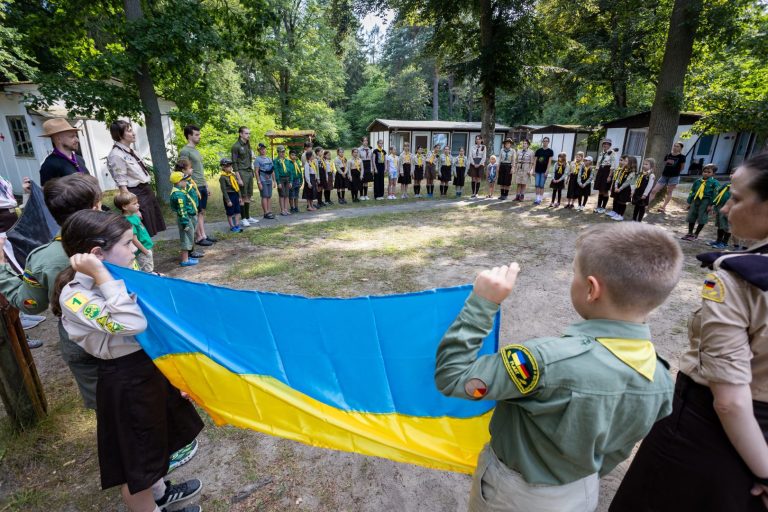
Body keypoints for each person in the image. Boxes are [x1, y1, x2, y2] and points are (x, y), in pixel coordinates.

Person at [435, 222, 682, 512]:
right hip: (580, 492)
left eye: (574, 273)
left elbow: (453, 377)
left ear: (592, 289)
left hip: (514, 497)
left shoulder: (544, 361)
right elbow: (616, 451)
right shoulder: (662, 382)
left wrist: (482, 303)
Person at [610, 152, 768, 511]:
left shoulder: (741, 280)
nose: (725, 208)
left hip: (707, 436)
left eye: (738, 198)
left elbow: (729, 400)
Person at [53, 209, 204, 512]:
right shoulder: (76, 296)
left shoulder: (120, 276)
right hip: (126, 383)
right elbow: (131, 324)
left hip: (147, 372)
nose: (135, 247)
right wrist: (102, 276)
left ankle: (160, 493)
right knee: (137, 463)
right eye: (127, 243)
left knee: (155, 443)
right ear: (98, 254)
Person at [0, 174, 102, 382]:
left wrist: (2, 269)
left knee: (104, 403)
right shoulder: (120, 235)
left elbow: (30, 304)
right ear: (96, 206)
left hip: (80, 339)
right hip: (128, 331)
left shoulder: (42, 259)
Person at [105, 120, 166, 238]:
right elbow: (122, 186)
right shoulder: (116, 155)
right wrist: (133, 209)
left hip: (146, 191)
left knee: (150, 230)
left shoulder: (132, 152)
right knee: (142, 231)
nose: (133, 133)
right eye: (129, 131)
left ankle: (149, 253)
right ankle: (145, 254)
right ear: (119, 134)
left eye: (131, 130)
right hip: (135, 194)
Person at [179, 125, 215, 245]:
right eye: (196, 135)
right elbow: (182, 169)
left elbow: (199, 169)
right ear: (189, 136)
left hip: (201, 185)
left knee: (202, 211)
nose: (199, 137)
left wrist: (206, 185)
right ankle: (199, 237)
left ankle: (203, 234)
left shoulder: (196, 150)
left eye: (199, 134)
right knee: (196, 212)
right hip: (193, 186)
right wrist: (187, 185)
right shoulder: (185, 151)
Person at [38, 119, 91, 185]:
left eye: (76, 136)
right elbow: (47, 194)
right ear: (58, 139)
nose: (77, 140)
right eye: (72, 136)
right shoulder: (49, 165)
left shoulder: (79, 159)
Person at [113, 192, 154, 272]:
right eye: (134, 203)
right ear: (125, 207)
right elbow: (134, 240)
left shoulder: (134, 215)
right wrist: (145, 252)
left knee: (149, 267)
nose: (138, 205)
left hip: (146, 246)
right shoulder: (128, 221)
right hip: (142, 251)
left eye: (137, 202)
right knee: (146, 271)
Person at [681, 163, 720, 241]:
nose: (706, 173)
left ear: (713, 174)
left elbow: (715, 194)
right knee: (691, 216)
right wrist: (689, 202)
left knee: (702, 218)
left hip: (706, 201)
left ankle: (696, 234)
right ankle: (690, 233)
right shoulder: (698, 181)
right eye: (704, 171)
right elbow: (692, 191)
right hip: (695, 200)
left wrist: (711, 204)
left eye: (709, 172)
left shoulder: (715, 183)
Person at [169, 172, 199, 267]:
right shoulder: (179, 195)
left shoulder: (180, 191)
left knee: (189, 237)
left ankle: (187, 257)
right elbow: (182, 211)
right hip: (185, 219)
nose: (186, 182)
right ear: (179, 182)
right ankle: (185, 260)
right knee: (186, 238)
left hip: (187, 217)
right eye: (184, 180)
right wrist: (185, 224)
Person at [649, 140, 687, 213]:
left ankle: (663, 207)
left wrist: (675, 172)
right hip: (664, 176)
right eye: (674, 146)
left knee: (669, 192)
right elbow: (666, 164)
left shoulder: (682, 157)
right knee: (654, 190)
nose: (675, 147)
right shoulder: (668, 155)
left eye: (677, 146)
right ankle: (646, 204)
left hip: (674, 177)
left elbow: (682, 168)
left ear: (681, 148)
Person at [231, 126, 258, 225]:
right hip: (241, 173)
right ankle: (243, 219)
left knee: (248, 195)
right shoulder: (236, 146)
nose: (248, 135)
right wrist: (238, 178)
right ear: (240, 134)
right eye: (246, 133)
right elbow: (234, 163)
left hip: (249, 172)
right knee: (242, 196)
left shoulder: (248, 145)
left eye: (249, 133)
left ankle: (247, 216)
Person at [606, 155, 637, 222]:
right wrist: (616, 186)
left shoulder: (632, 172)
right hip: (618, 187)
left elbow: (627, 182)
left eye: (626, 161)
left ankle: (620, 215)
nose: (624, 162)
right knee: (616, 199)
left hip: (625, 189)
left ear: (631, 163)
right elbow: (617, 178)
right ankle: (615, 212)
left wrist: (619, 188)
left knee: (622, 202)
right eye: (624, 161)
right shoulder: (623, 169)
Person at [218, 158, 243, 232]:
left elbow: (237, 187)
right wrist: (228, 200)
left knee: (238, 211)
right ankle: (232, 226)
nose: (231, 167)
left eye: (231, 165)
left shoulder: (233, 175)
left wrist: (240, 196)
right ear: (223, 167)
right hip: (229, 196)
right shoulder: (222, 177)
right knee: (230, 212)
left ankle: (237, 225)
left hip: (235, 195)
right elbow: (224, 190)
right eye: (228, 166)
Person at [708, 175, 732, 249]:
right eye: (731, 173)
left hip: (730, 208)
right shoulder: (726, 184)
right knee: (720, 225)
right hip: (720, 207)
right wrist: (714, 206)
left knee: (727, 226)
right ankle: (718, 241)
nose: (731, 175)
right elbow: (718, 194)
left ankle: (724, 243)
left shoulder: (740, 187)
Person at [593, 138, 617, 214]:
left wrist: (609, 176)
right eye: (604, 144)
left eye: (607, 144)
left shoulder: (612, 153)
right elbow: (598, 164)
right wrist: (596, 175)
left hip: (607, 172)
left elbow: (613, 165)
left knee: (605, 190)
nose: (605, 145)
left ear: (610, 145)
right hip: (600, 171)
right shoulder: (601, 153)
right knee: (600, 189)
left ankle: (603, 207)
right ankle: (599, 206)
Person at [631, 158, 656, 223]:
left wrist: (645, 194)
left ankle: (639, 220)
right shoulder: (641, 173)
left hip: (643, 194)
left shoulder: (651, 175)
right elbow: (636, 182)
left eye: (646, 164)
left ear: (651, 166)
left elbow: (649, 186)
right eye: (643, 164)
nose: (644, 165)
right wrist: (633, 190)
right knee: (636, 206)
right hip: (638, 192)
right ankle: (634, 219)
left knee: (642, 207)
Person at [254, 142, 275, 219]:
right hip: (262, 180)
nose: (263, 150)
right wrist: (259, 182)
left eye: (264, 149)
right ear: (259, 150)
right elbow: (256, 171)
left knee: (269, 196)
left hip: (269, 180)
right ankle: (265, 212)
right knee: (264, 196)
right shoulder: (257, 159)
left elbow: (272, 170)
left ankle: (269, 211)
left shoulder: (269, 159)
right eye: (261, 149)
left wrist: (274, 181)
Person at [534, 137, 554, 205]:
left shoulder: (550, 151)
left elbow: (549, 162)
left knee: (541, 185)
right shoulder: (538, 150)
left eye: (546, 141)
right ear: (542, 142)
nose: (545, 142)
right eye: (544, 141)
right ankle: (536, 198)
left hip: (544, 171)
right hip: (537, 170)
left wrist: (547, 171)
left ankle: (540, 199)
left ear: (548, 142)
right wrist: (533, 170)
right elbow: (535, 161)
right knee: (537, 185)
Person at [274, 145, 292, 216]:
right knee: (282, 195)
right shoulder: (276, 161)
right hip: (281, 179)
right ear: (278, 152)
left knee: (287, 195)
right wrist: (278, 182)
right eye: (281, 152)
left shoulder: (287, 161)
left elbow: (290, 171)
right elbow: (276, 172)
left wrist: (291, 181)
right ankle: (282, 210)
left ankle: (286, 209)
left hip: (287, 178)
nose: (282, 153)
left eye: (284, 152)